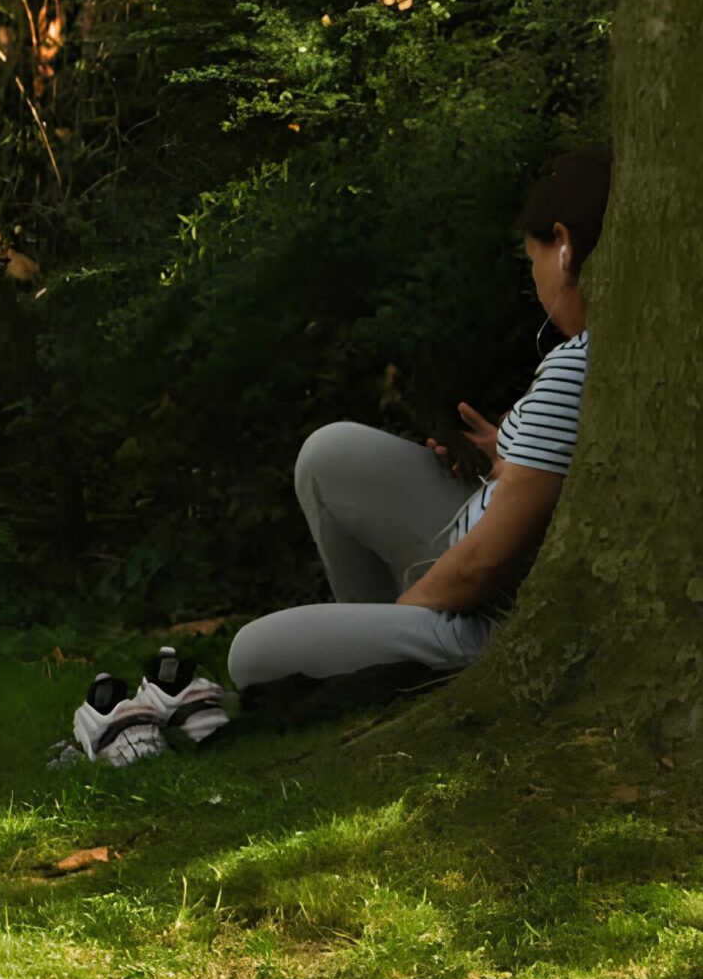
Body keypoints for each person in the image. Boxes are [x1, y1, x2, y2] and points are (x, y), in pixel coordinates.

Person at [227, 146, 610, 691]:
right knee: (328, 454)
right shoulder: (599, 352)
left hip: (485, 617)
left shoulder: (576, 364)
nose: (534, 279)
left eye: (534, 259)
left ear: (564, 246)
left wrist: (403, 618)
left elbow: (481, 567)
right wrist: (506, 448)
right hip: (472, 545)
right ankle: (369, 650)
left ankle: (381, 663)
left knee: (249, 654)